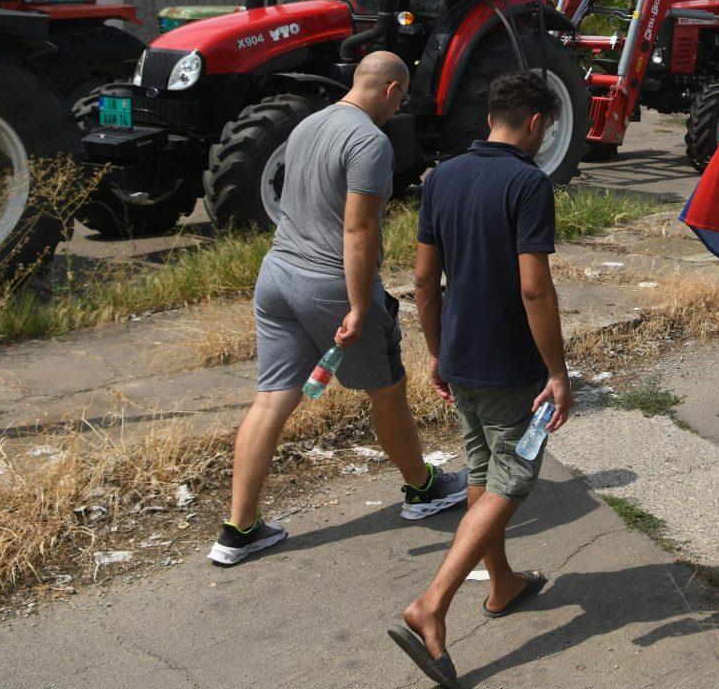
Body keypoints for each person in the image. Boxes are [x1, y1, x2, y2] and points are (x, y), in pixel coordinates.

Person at [210, 51, 467, 566]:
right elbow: (359, 229)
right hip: (330, 285)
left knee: (270, 401)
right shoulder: (369, 141)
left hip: (277, 274)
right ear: (393, 89)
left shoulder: (308, 124)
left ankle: (238, 529)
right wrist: (356, 304)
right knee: (388, 393)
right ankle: (422, 489)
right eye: (403, 97)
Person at [388, 70, 574, 689]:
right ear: (537, 123)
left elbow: (421, 281)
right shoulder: (527, 183)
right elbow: (533, 286)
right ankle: (431, 604)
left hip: (460, 357)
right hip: (509, 367)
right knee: (513, 477)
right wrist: (557, 372)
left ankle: (501, 584)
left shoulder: (441, 179)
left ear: (490, 115)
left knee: (481, 471)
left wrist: (438, 353)